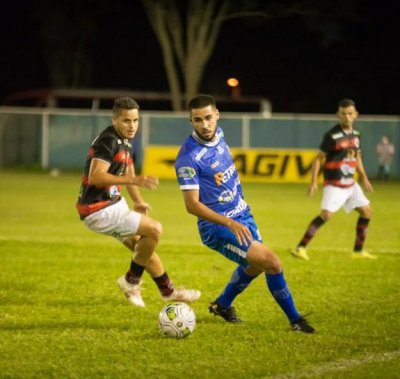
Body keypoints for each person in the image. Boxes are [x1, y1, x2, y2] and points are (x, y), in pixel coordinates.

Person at [174, 94, 315, 334]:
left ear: (217, 115)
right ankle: (296, 320)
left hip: (242, 216)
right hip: (218, 228)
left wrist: (238, 212)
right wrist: (229, 223)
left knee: (256, 266)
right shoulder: (188, 158)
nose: (205, 125)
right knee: (272, 262)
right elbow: (192, 206)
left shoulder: (219, 136)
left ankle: (222, 305)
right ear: (191, 121)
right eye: (198, 120)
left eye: (208, 118)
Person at [76, 97, 200, 308]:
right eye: (126, 120)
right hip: (98, 209)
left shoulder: (124, 139)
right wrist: (133, 181)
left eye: (135, 120)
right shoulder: (108, 140)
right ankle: (131, 281)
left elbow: (128, 168)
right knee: (154, 230)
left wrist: (138, 201)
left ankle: (168, 291)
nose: (132, 125)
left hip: (112, 204)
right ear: (114, 119)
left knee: (142, 248)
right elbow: (96, 176)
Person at [291, 98, 376, 261]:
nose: (347, 117)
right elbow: (318, 159)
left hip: (351, 183)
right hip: (335, 184)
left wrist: (364, 178)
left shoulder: (356, 134)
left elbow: (357, 157)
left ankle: (358, 252)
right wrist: (314, 182)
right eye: (343, 114)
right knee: (326, 215)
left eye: (350, 114)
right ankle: (300, 248)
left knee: (367, 212)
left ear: (356, 115)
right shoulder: (332, 135)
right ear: (338, 115)